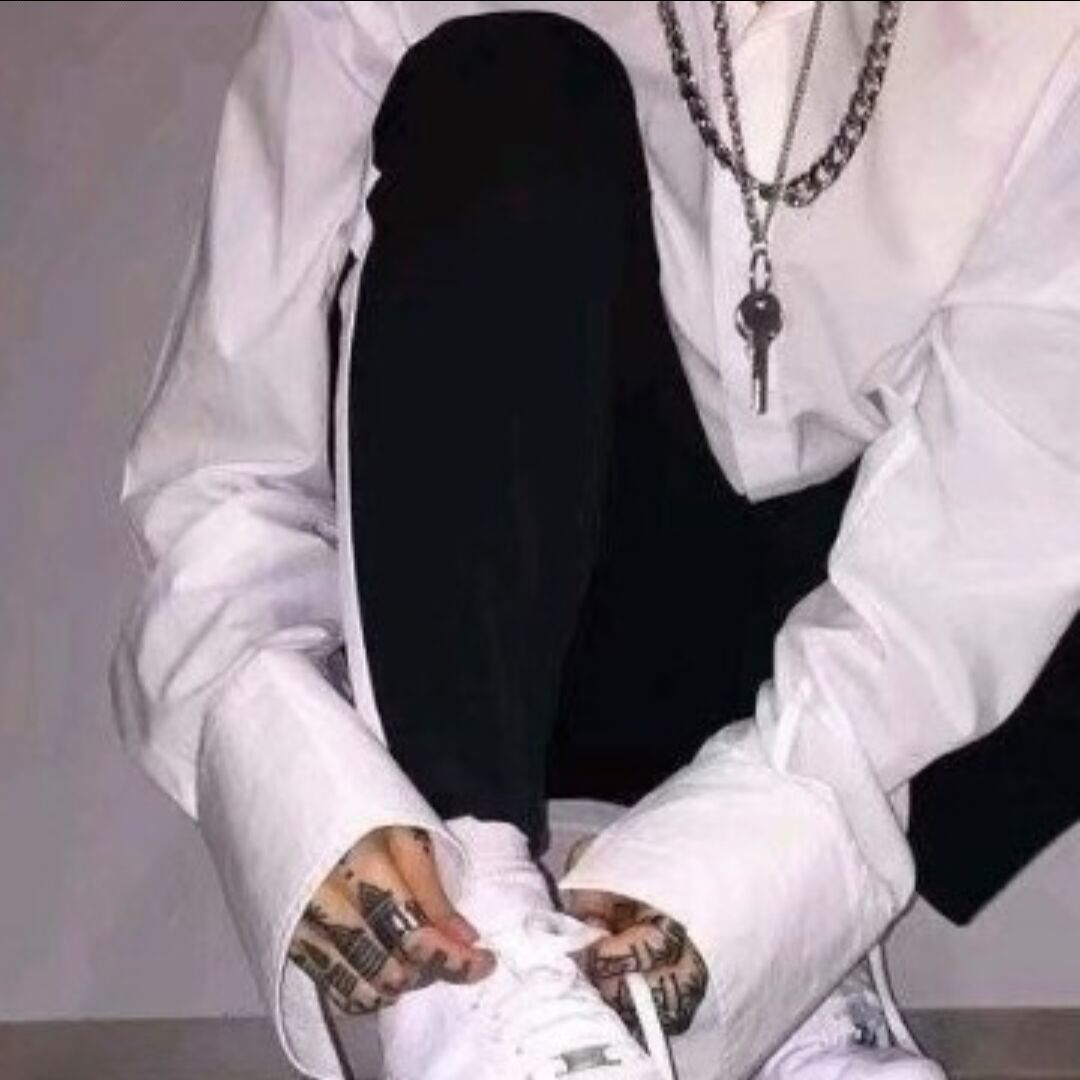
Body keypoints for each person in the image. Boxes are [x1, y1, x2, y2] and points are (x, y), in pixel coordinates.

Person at [107, 3, 1080, 1079]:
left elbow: (1003, 511)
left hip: (856, 640)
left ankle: (788, 978)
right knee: (509, 88)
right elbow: (228, 452)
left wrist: (761, 874)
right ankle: (481, 955)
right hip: (510, 613)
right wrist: (300, 787)